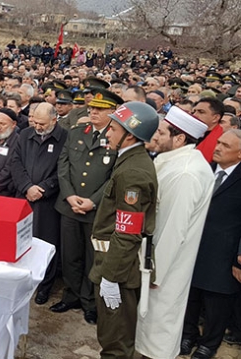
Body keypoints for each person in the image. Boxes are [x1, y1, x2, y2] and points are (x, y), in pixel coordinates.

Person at [135, 106, 214, 359]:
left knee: (158, 330)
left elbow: (172, 229)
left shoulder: (185, 173)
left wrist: (154, 275)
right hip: (154, 262)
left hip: (163, 268)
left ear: (179, 139)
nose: (153, 136)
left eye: (160, 132)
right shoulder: (175, 161)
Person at [89, 101, 159, 359]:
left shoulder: (133, 172)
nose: (107, 133)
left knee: (115, 341)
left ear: (129, 134)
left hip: (119, 267)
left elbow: (128, 231)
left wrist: (111, 277)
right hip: (114, 262)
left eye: (113, 128)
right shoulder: (129, 161)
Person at [50, 88, 122, 325]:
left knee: (93, 258)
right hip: (69, 206)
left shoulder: (117, 138)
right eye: (92, 108)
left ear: (113, 112)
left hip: (96, 210)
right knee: (70, 256)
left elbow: (114, 176)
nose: (93, 112)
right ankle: (70, 296)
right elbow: (63, 166)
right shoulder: (77, 132)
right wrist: (70, 196)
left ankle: (89, 302)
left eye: (100, 110)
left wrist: (93, 201)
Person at [180, 129, 241, 359]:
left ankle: (209, 343)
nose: (217, 147)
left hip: (225, 250)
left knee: (217, 301)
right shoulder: (204, 169)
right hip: (195, 246)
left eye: (225, 145)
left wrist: (239, 256)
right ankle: (187, 334)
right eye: (218, 142)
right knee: (191, 294)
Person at [11, 102, 67, 304]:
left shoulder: (64, 138)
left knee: (45, 243)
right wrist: (26, 186)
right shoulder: (26, 134)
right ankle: (21, 281)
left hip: (47, 201)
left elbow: (63, 171)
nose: (38, 126)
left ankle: (44, 286)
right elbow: (15, 162)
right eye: (35, 121)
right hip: (24, 196)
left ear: (54, 120)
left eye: (42, 123)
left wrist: (43, 189)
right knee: (22, 240)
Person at [193, 97, 224, 162]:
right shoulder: (186, 133)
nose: (195, 115)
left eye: (201, 112)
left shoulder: (222, 140)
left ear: (215, 118)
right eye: (194, 111)